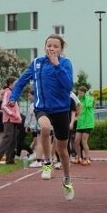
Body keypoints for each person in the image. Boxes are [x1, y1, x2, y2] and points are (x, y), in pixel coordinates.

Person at [9, 34, 75, 200]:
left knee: (63, 151)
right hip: (42, 108)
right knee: (45, 128)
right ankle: (47, 163)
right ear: (45, 47)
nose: (51, 48)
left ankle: (67, 181)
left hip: (61, 110)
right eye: (49, 45)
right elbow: (22, 81)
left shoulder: (65, 64)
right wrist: (13, 97)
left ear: (61, 49)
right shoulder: (37, 63)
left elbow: (68, 86)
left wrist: (57, 65)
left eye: (55, 46)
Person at [0, 77, 22, 165]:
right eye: (15, 84)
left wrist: (18, 117)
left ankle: (10, 159)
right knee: (7, 139)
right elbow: (4, 106)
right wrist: (13, 115)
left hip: (15, 120)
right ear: (10, 84)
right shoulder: (7, 92)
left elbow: (15, 107)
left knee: (13, 140)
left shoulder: (13, 93)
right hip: (9, 119)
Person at [74, 86, 95, 165]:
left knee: (84, 141)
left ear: (85, 93)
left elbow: (88, 104)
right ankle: (79, 157)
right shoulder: (79, 100)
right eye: (78, 93)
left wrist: (86, 96)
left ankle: (87, 159)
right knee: (76, 141)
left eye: (81, 93)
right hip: (80, 124)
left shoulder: (89, 98)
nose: (80, 94)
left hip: (88, 124)